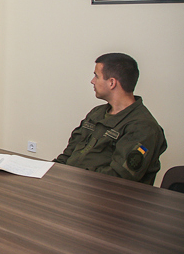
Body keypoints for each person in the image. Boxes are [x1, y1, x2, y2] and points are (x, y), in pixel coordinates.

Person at [54, 53, 167, 185]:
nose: (92, 81)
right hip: (72, 185)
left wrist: (73, 176)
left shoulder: (143, 127)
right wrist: (50, 172)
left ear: (112, 83)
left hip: (102, 193)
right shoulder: (97, 113)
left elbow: (119, 177)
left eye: (96, 76)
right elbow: (69, 154)